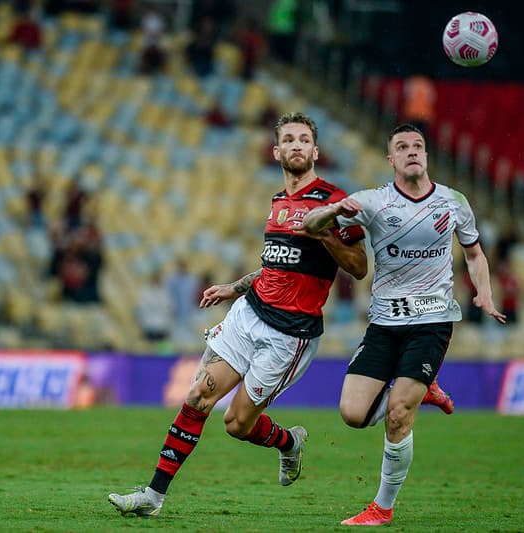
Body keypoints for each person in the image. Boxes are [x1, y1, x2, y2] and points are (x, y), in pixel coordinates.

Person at [107, 111, 370, 518]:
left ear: (315, 151)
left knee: (236, 424)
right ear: (277, 150)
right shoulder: (278, 202)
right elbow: (275, 265)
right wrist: (235, 288)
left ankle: (289, 443)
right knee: (197, 397)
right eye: (289, 139)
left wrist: (324, 235)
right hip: (250, 313)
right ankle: (153, 497)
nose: (297, 145)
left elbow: (358, 266)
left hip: (291, 333)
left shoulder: (334, 202)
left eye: (304, 139)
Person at [295, 123, 506, 526]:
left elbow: (475, 254)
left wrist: (484, 293)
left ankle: (382, 507)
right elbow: (311, 225)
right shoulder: (372, 202)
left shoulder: (453, 202)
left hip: (433, 320)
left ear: (426, 156)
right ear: (390, 159)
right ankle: (422, 391)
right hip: (384, 322)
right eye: (403, 147)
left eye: (418, 146)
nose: (412, 152)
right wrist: (336, 210)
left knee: (397, 413)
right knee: (353, 414)